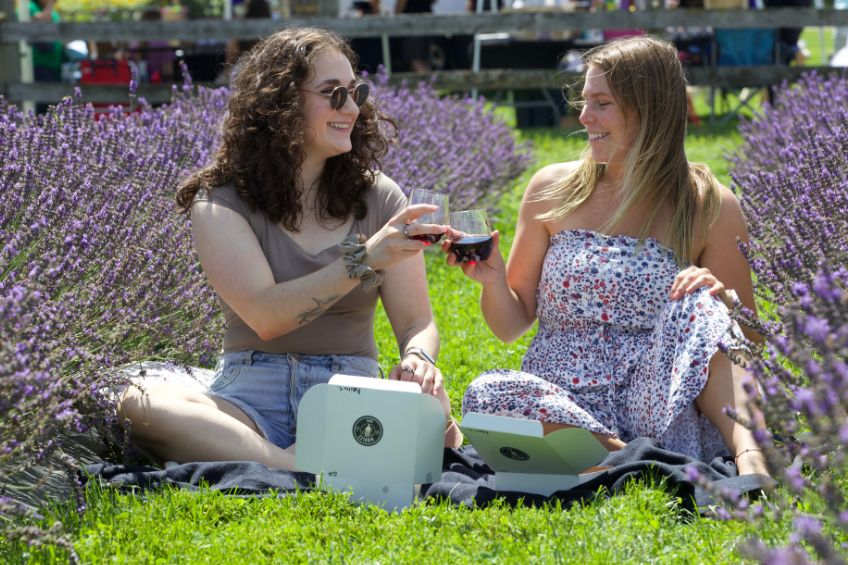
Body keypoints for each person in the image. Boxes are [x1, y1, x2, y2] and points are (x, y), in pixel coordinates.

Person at [118, 28, 461, 471]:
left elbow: (416, 321)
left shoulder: (380, 197)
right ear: (280, 103)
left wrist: (418, 357)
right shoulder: (221, 200)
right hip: (249, 398)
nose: (353, 108)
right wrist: (364, 260)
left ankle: (268, 462)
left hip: (348, 394)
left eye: (356, 92)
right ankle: (290, 464)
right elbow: (266, 317)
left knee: (430, 408)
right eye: (333, 94)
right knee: (137, 404)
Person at [444, 35, 769, 476]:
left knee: (703, 301)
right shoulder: (550, 189)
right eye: (583, 101)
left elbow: (749, 343)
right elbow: (510, 324)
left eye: (601, 103)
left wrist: (723, 301)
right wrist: (492, 280)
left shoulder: (708, 203)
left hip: (654, 398)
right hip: (562, 403)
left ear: (648, 109)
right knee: (486, 394)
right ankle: (634, 459)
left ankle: (752, 460)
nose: (583, 116)